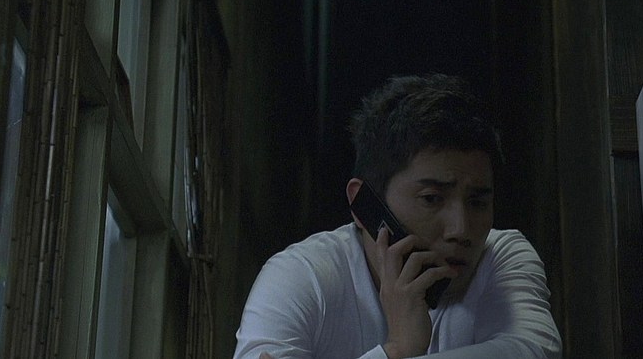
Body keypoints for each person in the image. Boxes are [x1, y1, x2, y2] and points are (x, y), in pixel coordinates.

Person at [233, 74, 561, 358]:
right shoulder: (303, 277)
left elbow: (532, 351)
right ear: (364, 203)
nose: (460, 230)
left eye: (477, 202)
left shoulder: (502, 256)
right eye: (431, 199)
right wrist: (398, 349)